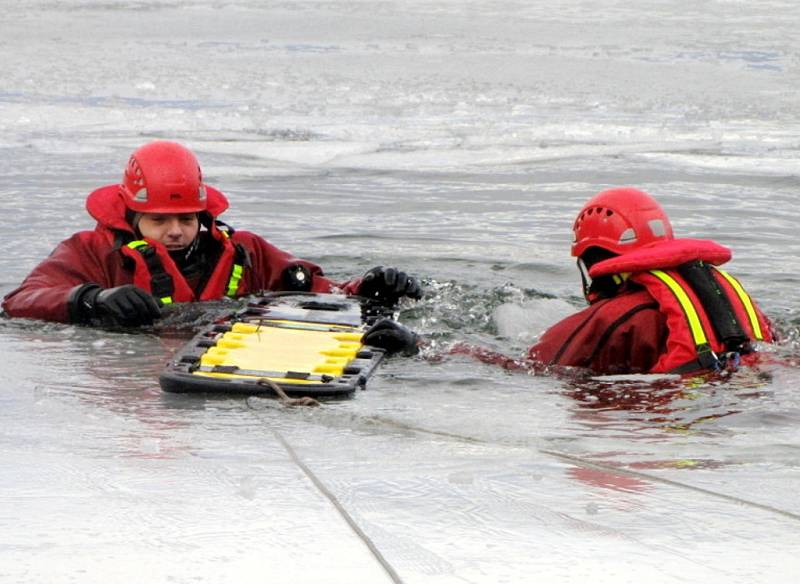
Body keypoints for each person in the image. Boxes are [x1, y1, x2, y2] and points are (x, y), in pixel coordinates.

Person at [2, 140, 422, 328]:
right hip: (140, 375)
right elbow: (20, 301)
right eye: (160, 221)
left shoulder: (246, 250)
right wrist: (90, 299)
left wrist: (369, 289)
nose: (176, 231)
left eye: (187, 219)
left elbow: (320, 290)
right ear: (131, 217)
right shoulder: (90, 251)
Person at [385, 186, 776, 373]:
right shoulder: (732, 299)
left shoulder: (611, 319)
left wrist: (423, 348)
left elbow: (530, 371)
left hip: (663, 421)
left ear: (590, 261)